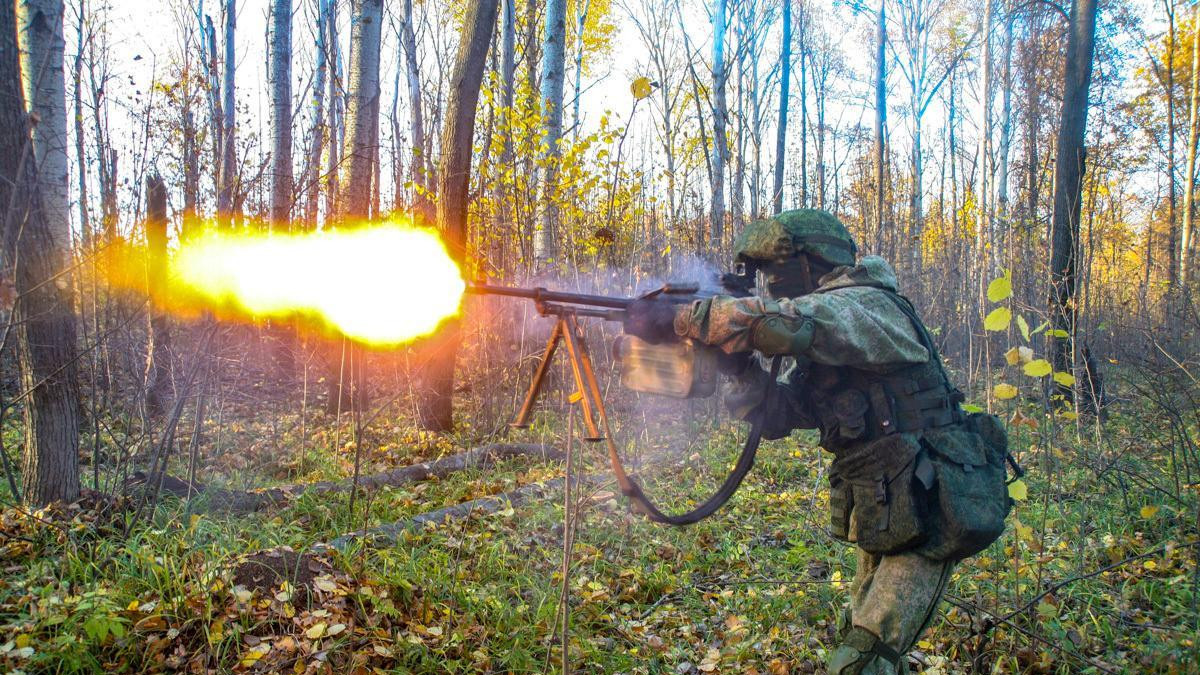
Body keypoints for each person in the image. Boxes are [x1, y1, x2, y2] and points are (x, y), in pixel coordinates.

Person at [623, 209, 1012, 674]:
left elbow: (787, 324)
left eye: (775, 270)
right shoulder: (830, 334)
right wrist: (739, 372)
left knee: (864, 658)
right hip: (889, 502)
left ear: (812, 261)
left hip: (935, 501)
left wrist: (683, 320)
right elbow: (784, 413)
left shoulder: (865, 306)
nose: (770, 281)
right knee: (863, 637)